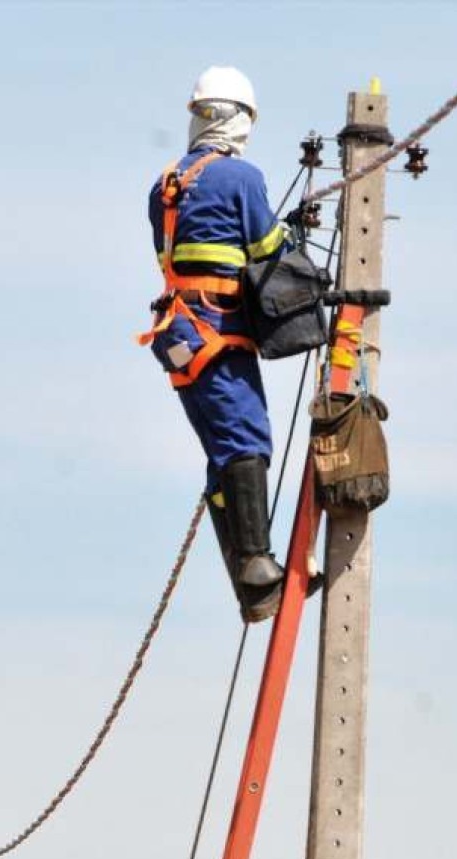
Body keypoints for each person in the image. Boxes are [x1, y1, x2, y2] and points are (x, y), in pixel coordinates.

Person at [144, 65, 291, 623]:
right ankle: (255, 565)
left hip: (179, 335)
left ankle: (252, 586)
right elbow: (265, 244)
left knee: (223, 452)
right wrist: (290, 233)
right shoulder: (242, 179)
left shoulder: (164, 185)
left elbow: (171, 256)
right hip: (218, 332)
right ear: (242, 121)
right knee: (246, 440)